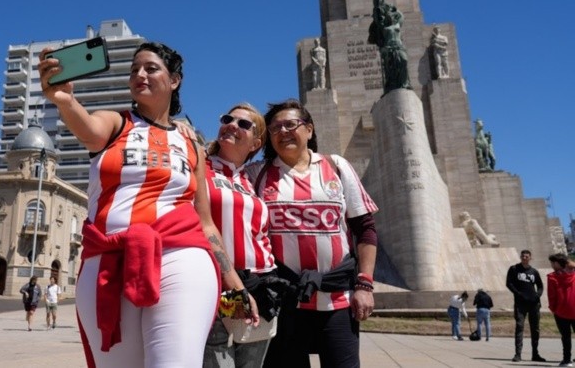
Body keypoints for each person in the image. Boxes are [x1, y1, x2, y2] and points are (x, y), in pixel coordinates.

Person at [40, 41, 257, 367]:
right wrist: (66, 100)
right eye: (134, 70)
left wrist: (235, 286)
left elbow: (206, 222)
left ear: (174, 80)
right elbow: (88, 130)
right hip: (107, 262)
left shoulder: (190, 143)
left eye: (151, 68)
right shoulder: (114, 122)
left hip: (181, 255)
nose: (139, 74)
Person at [245, 99, 378, 368]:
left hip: (337, 302)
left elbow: (365, 229)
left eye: (290, 124)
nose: (283, 131)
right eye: (275, 128)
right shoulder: (256, 174)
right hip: (284, 305)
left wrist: (364, 285)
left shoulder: (336, 166)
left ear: (309, 129)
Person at [203, 103, 279, 368]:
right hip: (221, 286)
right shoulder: (198, 165)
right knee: (220, 362)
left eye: (244, 124)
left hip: (259, 285)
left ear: (256, 142)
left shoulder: (252, 178)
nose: (232, 125)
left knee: (250, 365)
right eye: (227, 119)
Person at [507, 249, 546, 362]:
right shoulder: (514, 269)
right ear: (520, 257)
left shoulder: (534, 271)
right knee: (519, 327)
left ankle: (535, 354)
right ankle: (518, 354)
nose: (525, 258)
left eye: (527, 256)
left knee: (535, 329)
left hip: (534, 304)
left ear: (530, 258)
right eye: (523, 256)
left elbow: (540, 286)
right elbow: (509, 283)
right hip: (520, 304)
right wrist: (518, 294)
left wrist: (537, 295)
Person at [547, 253, 575, 367]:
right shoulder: (573, 274)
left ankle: (567, 360)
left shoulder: (552, 277)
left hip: (561, 311)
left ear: (557, 263)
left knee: (566, 336)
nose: (552, 265)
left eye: (553, 263)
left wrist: (553, 308)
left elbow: (552, 296)